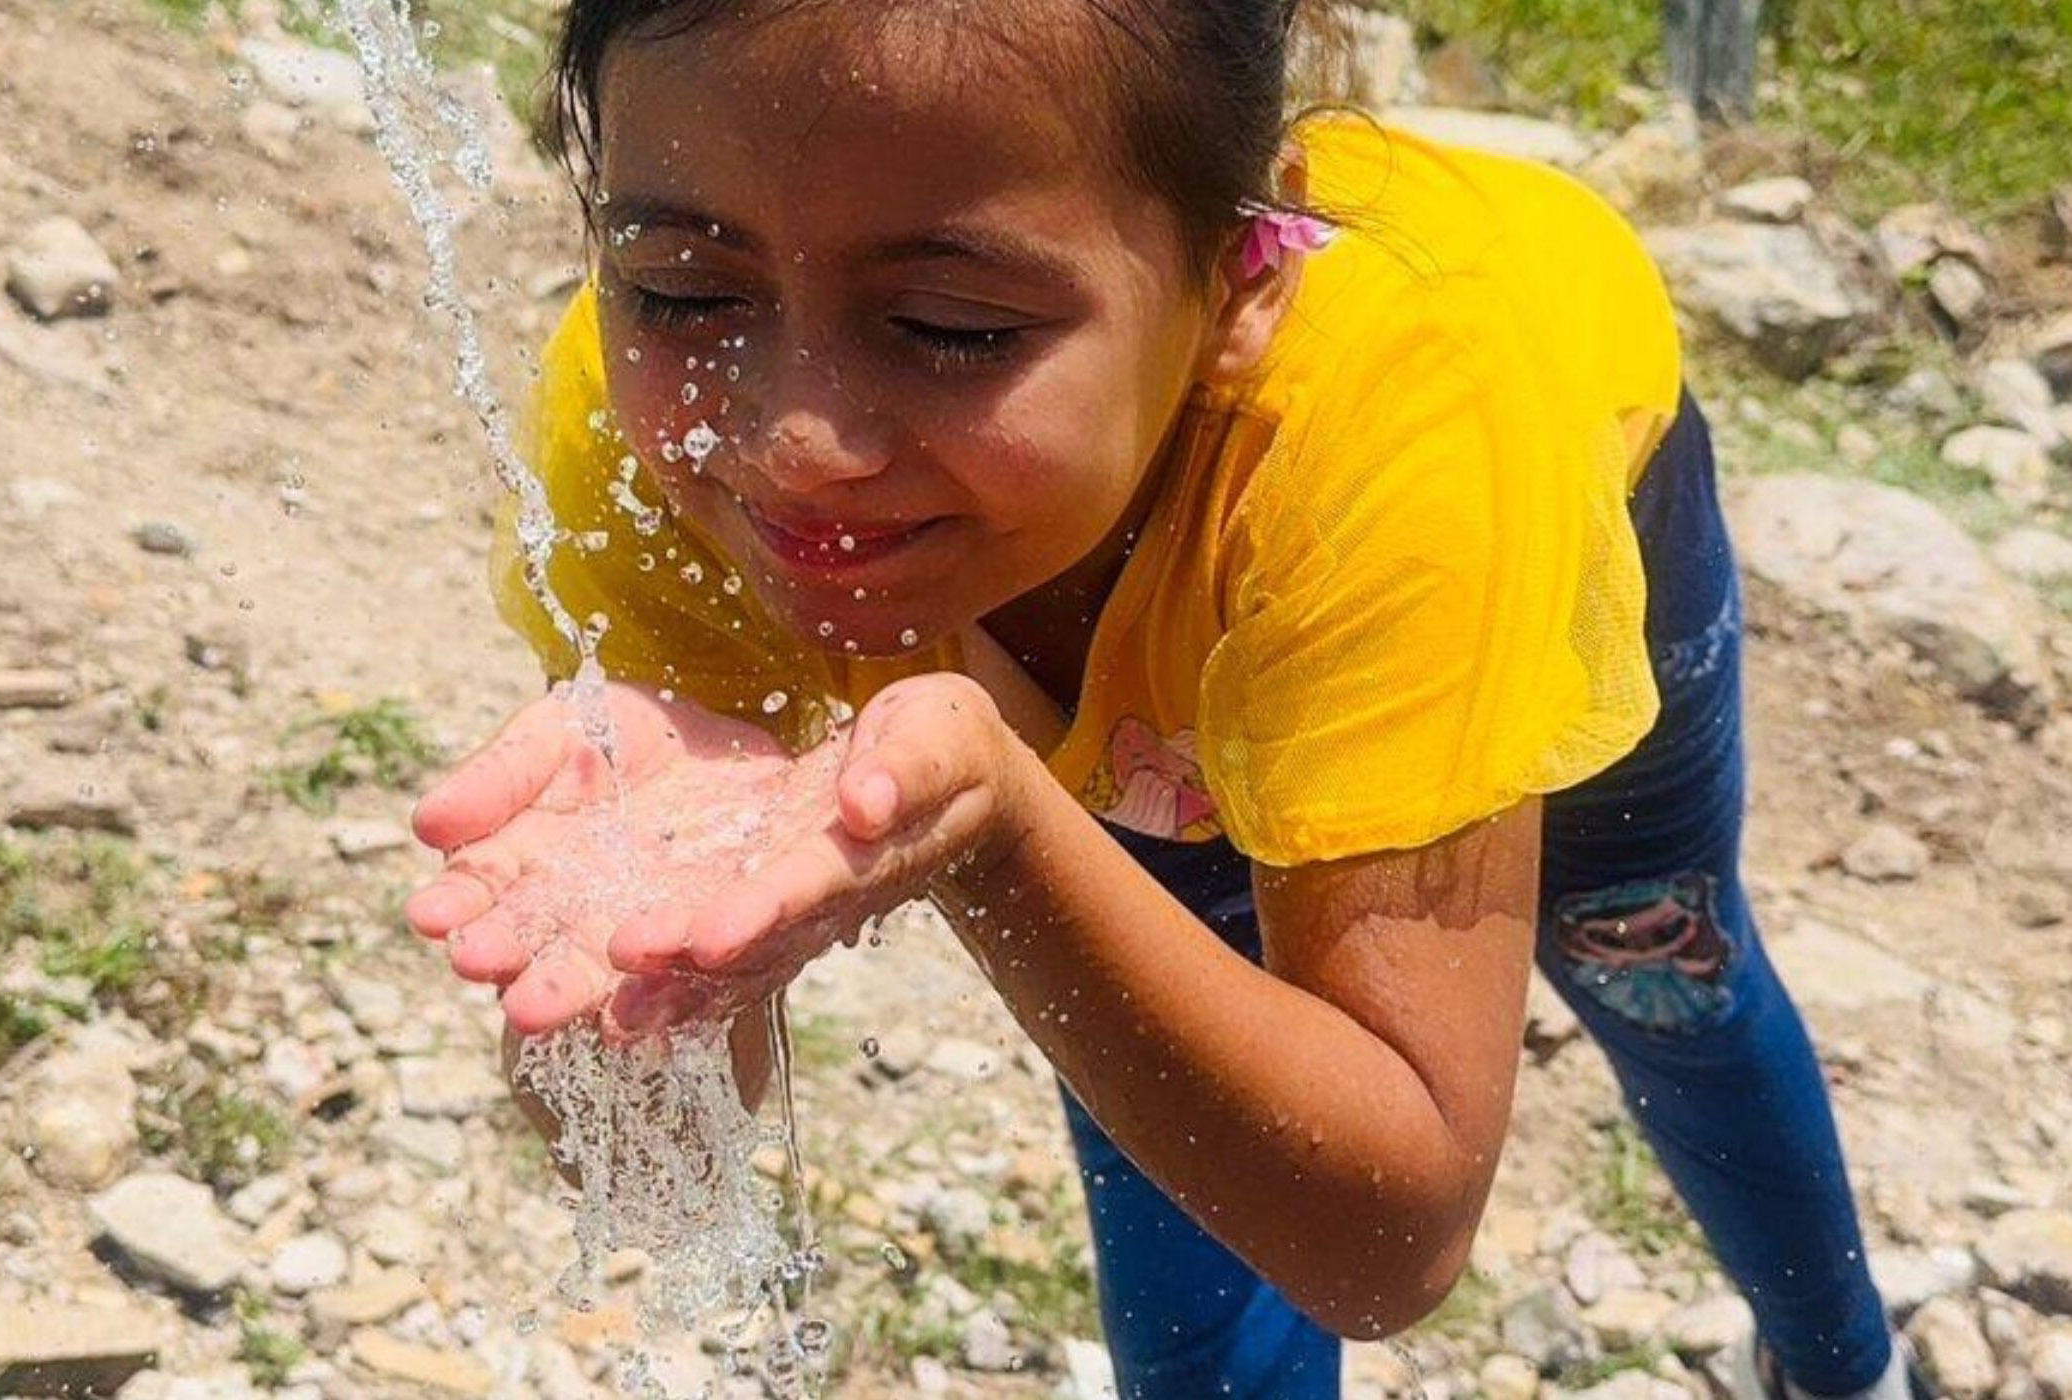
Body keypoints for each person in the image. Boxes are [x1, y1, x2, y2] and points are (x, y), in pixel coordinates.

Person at [402, 2, 1918, 1397]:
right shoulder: (646, 435)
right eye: (676, 283)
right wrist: (648, 963)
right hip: (1203, 644)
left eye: (951, 328)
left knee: (1659, 962)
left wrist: (1007, 848)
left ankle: (1841, 1367)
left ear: (1237, 276)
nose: (794, 441)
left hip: (1543, 504)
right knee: (1181, 1147)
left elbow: (1391, 1239)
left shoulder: (1401, 433)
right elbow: (652, 1169)